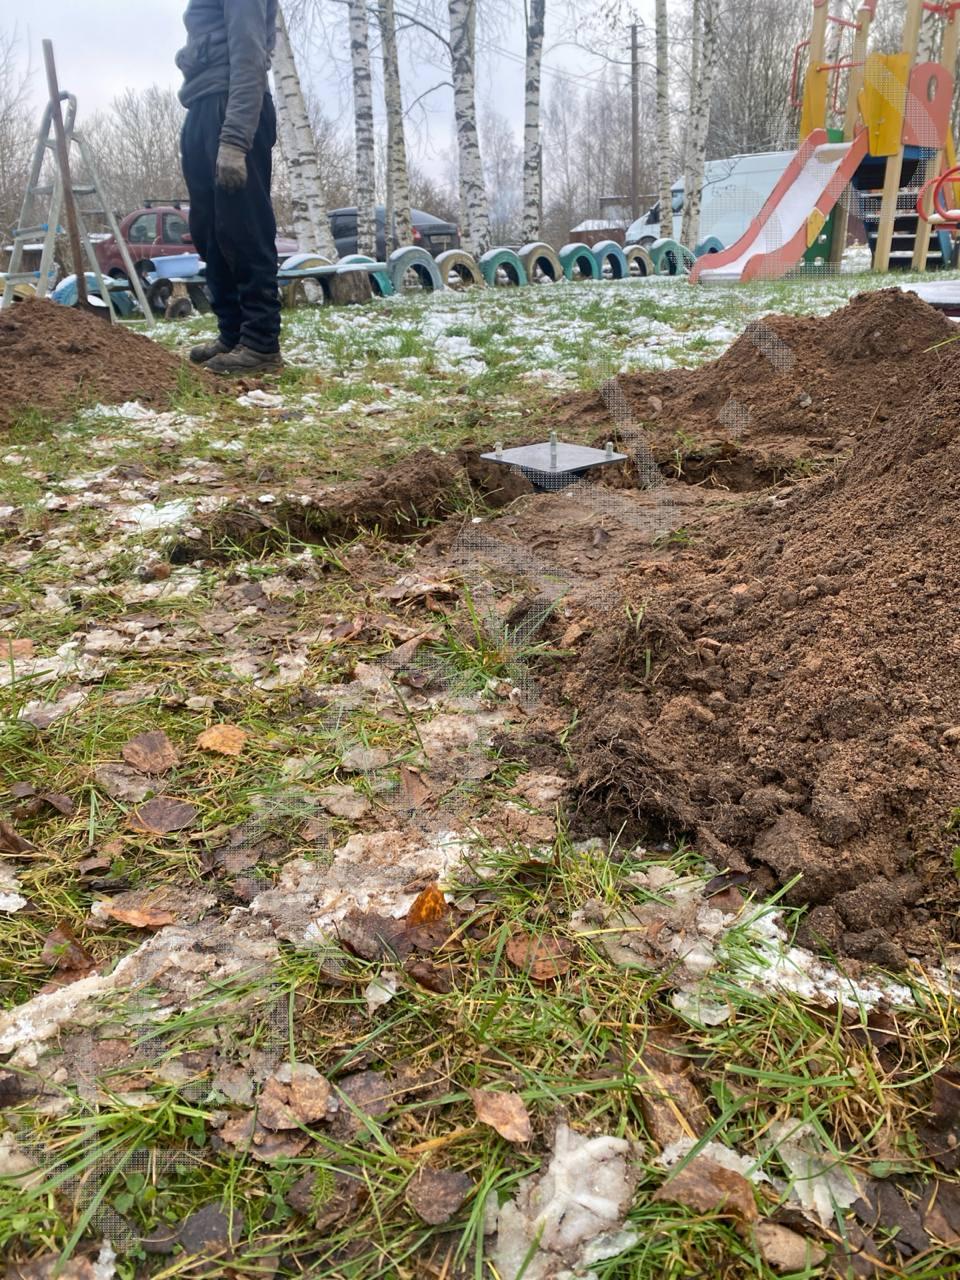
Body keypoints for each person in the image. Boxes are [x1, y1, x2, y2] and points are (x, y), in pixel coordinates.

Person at [177, 0, 283, 374]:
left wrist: (236, 139)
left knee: (244, 228)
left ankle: (261, 343)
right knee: (210, 231)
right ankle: (234, 333)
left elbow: (249, 54)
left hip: (233, 107)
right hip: (204, 103)